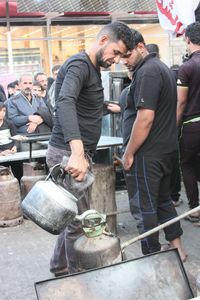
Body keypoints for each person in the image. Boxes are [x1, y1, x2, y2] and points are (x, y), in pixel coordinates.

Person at [46, 21, 134, 276]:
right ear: (103, 40)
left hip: (75, 153)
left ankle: (59, 266)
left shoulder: (93, 69)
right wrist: (76, 152)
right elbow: (65, 101)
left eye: (120, 56)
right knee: (78, 222)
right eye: (115, 52)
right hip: (68, 155)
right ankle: (75, 278)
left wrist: (103, 107)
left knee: (71, 219)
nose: (116, 60)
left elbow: (82, 103)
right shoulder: (79, 65)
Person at [121, 29, 187, 261]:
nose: (124, 61)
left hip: (148, 153)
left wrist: (129, 153)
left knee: (145, 207)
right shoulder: (161, 68)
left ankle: (152, 257)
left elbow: (145, 118)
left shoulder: (148, 71)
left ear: (141, 47)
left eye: (127, 55)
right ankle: (178, 250)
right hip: (165, 150)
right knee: (162, 202)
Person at [177, 21, 200, 223]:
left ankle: (195, 209)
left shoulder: (187, 67)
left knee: (187, 164)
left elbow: (181, 101)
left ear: (188, 39)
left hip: (192, 125)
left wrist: (175, 127)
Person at [0, 102, 22, 180]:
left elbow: (16, 138)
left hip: (11, 151)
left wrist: (15, 147)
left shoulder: (9, 123)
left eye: (4, 111)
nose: (2, 113)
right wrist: (1, 152)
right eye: (0, 111)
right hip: (1, 153)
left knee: (18, 168)